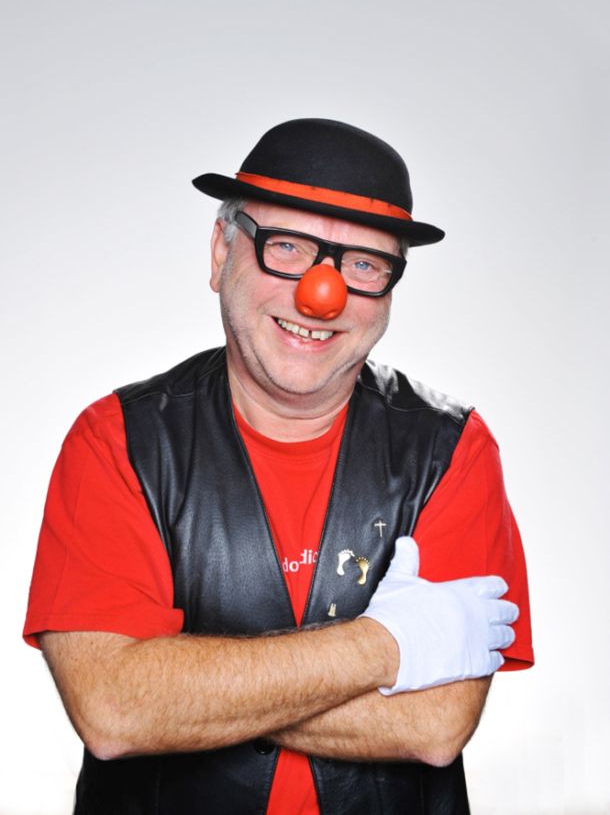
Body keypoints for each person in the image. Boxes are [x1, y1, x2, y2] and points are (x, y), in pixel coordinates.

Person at [23, 118, 533, 815]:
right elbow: (113, 709)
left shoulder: (454, 451)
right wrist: (388, 647)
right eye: (286, 246)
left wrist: (180, 689)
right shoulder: (116, 442)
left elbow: (434, 727)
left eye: (363, 263)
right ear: (221, 252)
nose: (321, 295)